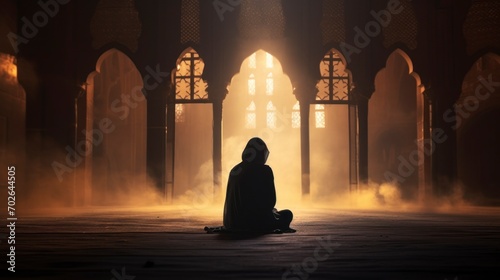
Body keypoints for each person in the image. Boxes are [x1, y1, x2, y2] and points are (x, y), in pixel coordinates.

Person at [223, 137, 293, 232]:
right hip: (255, 223)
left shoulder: (234, 170)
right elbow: (271, 201)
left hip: (232, 222)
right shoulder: (265, 170)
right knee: (287, 214)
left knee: (274, 212)